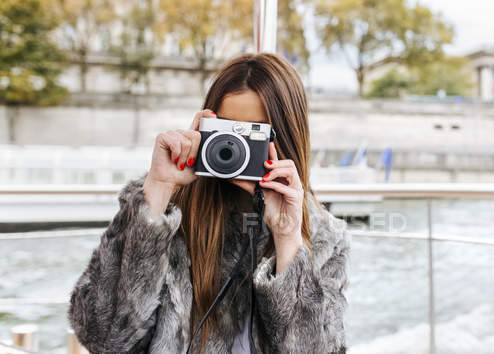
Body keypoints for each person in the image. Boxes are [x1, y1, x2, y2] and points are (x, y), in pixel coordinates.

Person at [67, 53, 351, 354]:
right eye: (228, 131)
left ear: (286, 137)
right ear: (205, 126)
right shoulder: (167, 213)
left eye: (253, 134)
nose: (234, 149)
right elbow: (102, 338)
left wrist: (287, 238)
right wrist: (157, 192)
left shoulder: (322, 236)